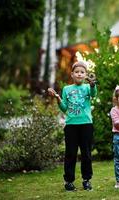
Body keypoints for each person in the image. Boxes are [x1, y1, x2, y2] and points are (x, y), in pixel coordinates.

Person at [48, 61, 97, 191]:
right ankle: (69, 181)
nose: (79, 74)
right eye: (77, 72)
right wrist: (58, 99)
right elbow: (64, 108)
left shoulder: (87, 87)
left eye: (82, 72)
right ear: (72, 74)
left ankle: (86, 180)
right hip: (71, 125)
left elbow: (93, 94)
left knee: (86, 153)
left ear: (85, 74)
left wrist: (92, 85)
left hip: (86, 124)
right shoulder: (66, 89)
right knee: (70, 154)